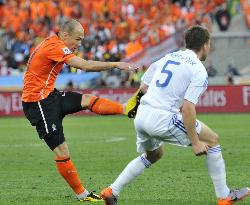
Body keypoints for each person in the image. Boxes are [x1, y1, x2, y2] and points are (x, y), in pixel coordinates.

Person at [101, 25, 250, 205]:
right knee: (212, 140)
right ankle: (224, 195)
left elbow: (144, 88)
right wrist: (195, 142)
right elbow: (187, 108)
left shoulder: (167, 57)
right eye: (209, 44)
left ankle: (111, 191)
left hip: (142, 116)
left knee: (154, 154)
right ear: (204, 45)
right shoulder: (198, 69)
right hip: (162, 118)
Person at [22, 19, 139, 202]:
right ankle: (82, 195)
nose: (79, 44)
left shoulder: (51, 42)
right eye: (77, 39)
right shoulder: (56, 47)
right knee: (62, 152)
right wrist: (116, 64)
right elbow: (85, 66)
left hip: (49, 96)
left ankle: (126, 109)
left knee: (86, 100)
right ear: (65, 35)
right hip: (38, 103)